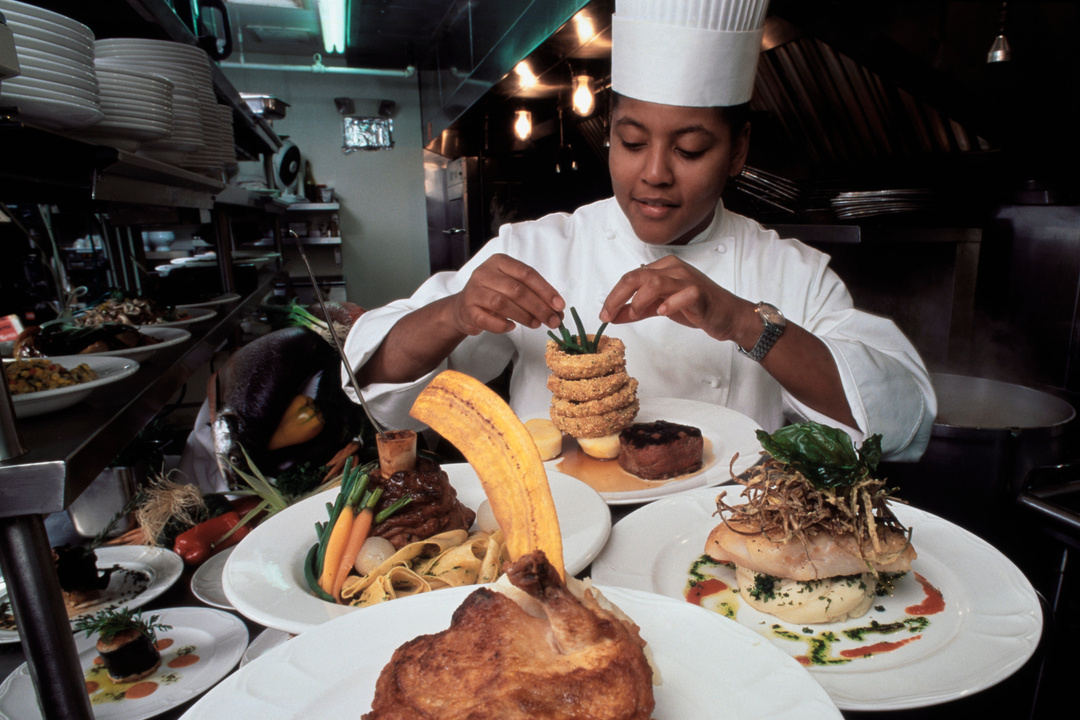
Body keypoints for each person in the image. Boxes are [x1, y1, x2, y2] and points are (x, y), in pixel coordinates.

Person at [343, 0, 935, 461]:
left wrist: (741, 322)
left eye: (691, 148)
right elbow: (379, 393)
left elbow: (902, 420)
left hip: (720, 557)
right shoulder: (538, 249)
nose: (654, 174)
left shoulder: (792, 271)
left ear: (737, 151)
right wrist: (454, 314)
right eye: (631, 142)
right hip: (563, 557)